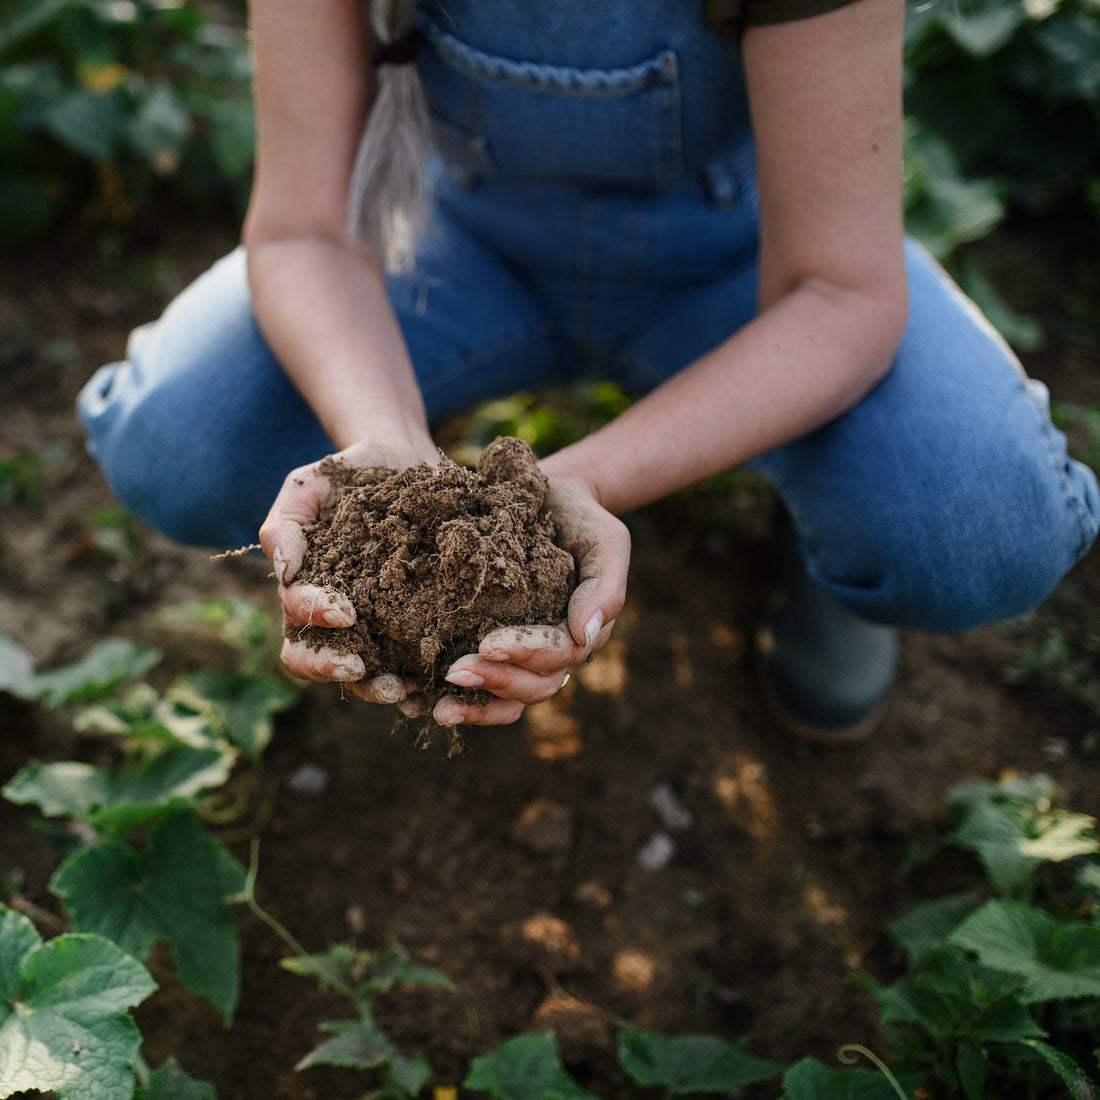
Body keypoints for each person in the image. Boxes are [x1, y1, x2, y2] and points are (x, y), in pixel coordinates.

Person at [78, 0, 1099, 741]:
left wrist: (577, 484)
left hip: (748, 265)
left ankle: (830, 556)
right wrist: (384, 457)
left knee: (971, 527)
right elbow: (305, 229)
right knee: (184, 444)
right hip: (452, 239)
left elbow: (839, 291)